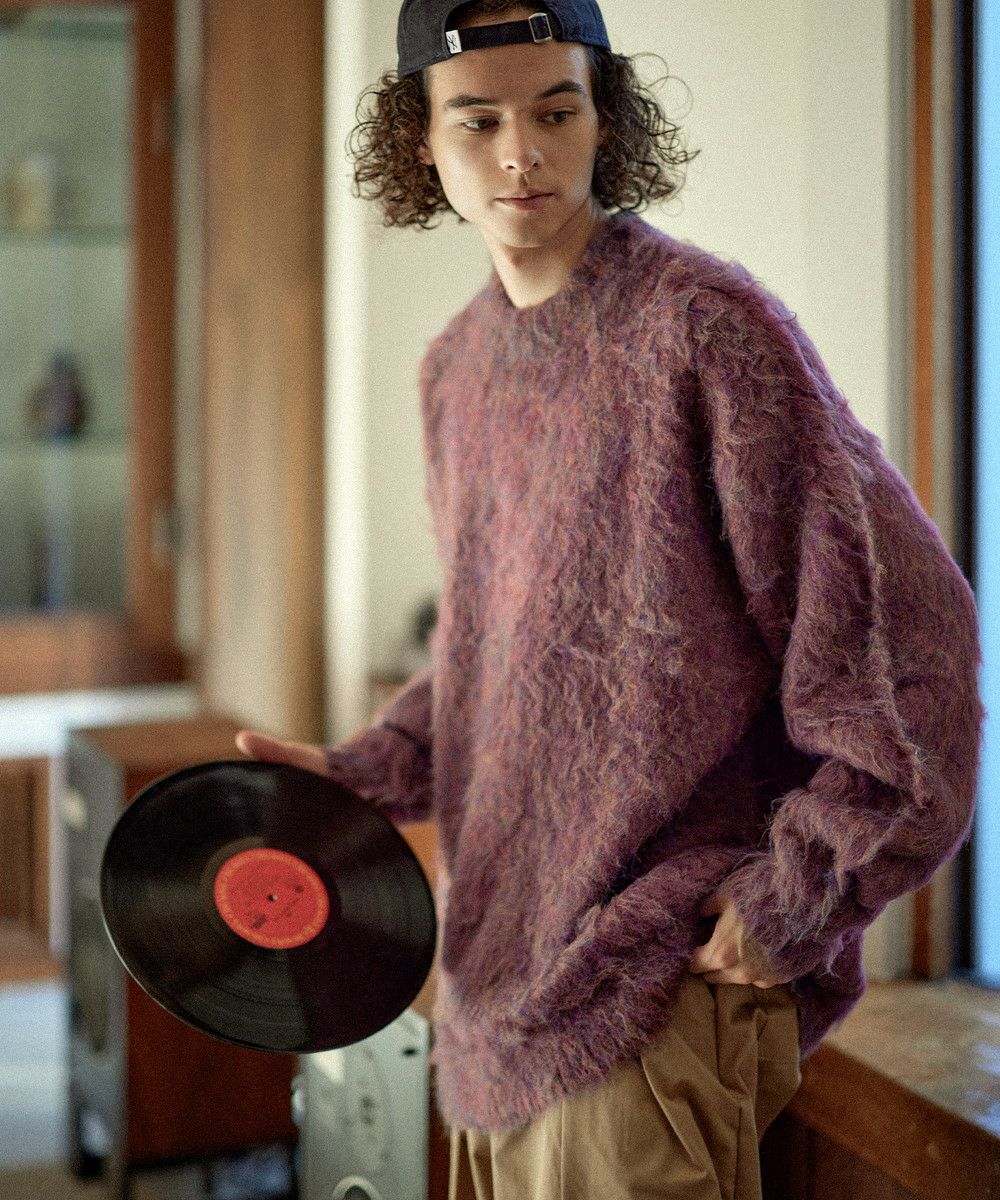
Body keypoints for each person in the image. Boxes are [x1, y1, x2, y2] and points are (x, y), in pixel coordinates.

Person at [235, 2, 986, 1197]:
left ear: (605, 119)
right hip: (491, 996)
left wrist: (800, 893)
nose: (520, 154)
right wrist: (369, 767)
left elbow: (910, 646)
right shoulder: (455, 368)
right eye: (477, 120)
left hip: (649, 993)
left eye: (556, 110)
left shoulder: (705, 329)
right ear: (420, 140)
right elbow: (502, 638)